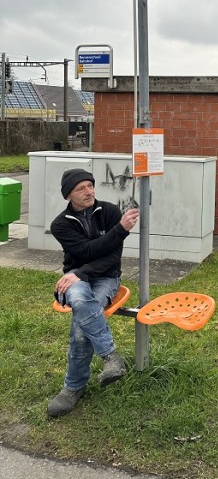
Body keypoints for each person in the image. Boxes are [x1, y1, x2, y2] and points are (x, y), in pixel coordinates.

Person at [47, 168, 139, 417]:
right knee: (79, 298)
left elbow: (112, 257)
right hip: (74, 277)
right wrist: (119, 231)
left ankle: (72, 388)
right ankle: (110, 357)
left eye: (90, 185)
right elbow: (86, 250)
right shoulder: (60, 225)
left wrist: (81, 273)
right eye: (81, 188)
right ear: (68, 195)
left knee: (81, 323)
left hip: (107, 277)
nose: (88, 192)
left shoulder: (109, 211)